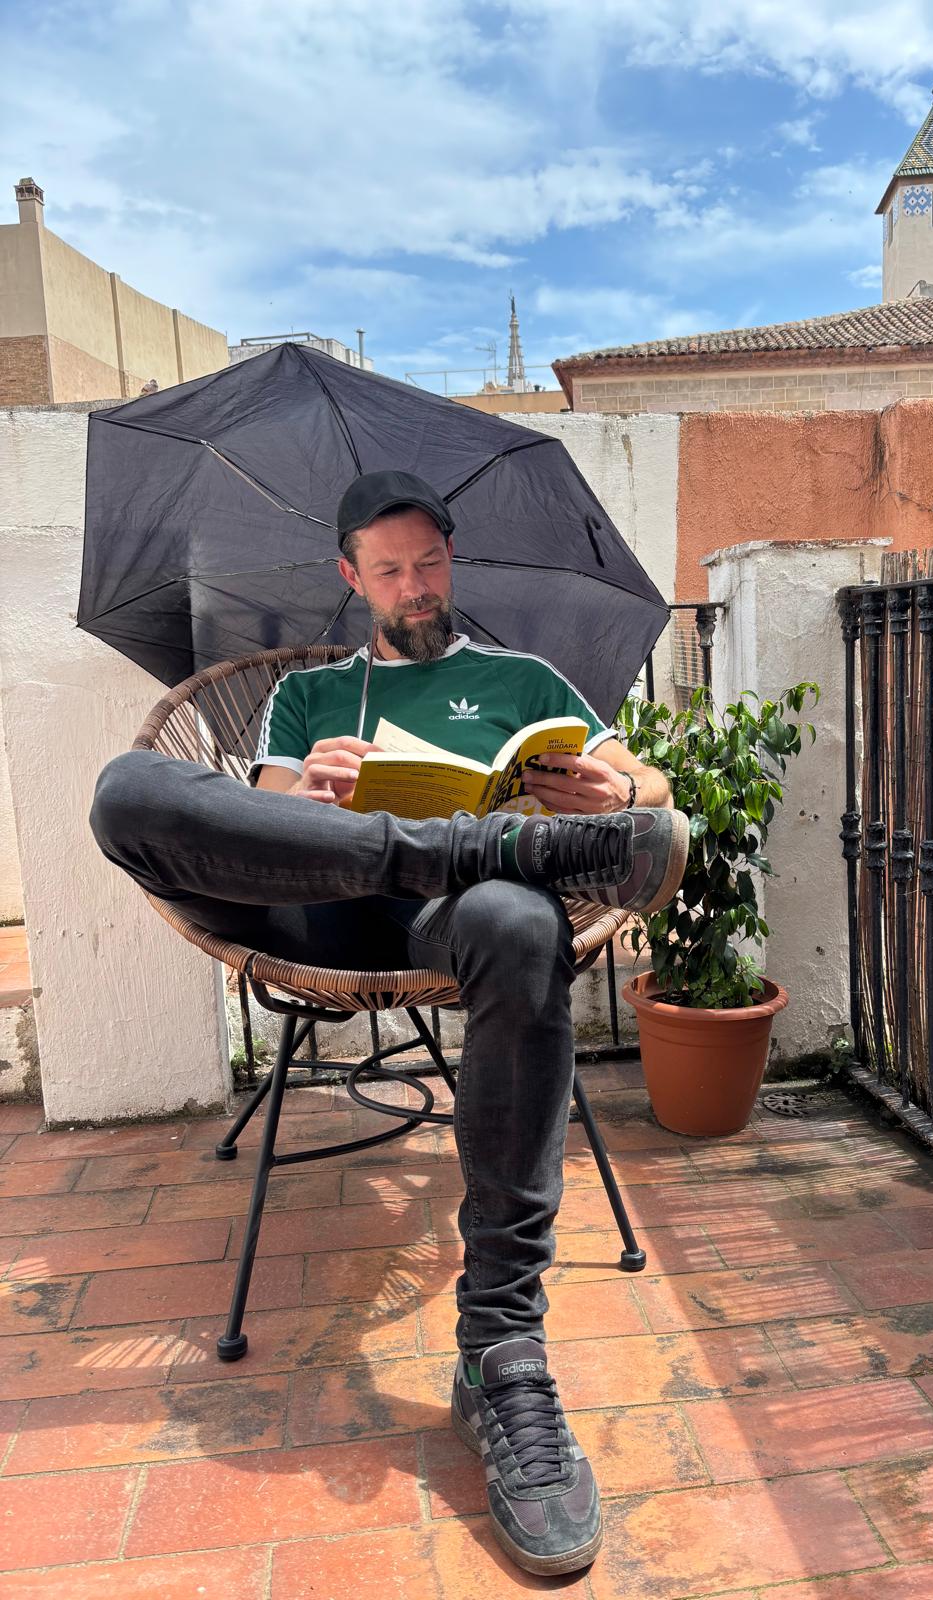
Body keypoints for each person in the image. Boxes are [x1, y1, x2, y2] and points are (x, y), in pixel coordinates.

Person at [89, 468, 686, 1578]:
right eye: (392, 569)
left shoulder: (521, 678)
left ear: (450, 562)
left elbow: (645, 782)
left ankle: (503, 1348)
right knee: (126, 793)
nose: (416, 586)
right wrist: (301, 793)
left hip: (444, 926)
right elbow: (246, 824)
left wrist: (623, 800)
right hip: (315, 913)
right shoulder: (312, 696)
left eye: (431, 563)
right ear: (352, 577)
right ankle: (468, 847)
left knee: (515, 919)